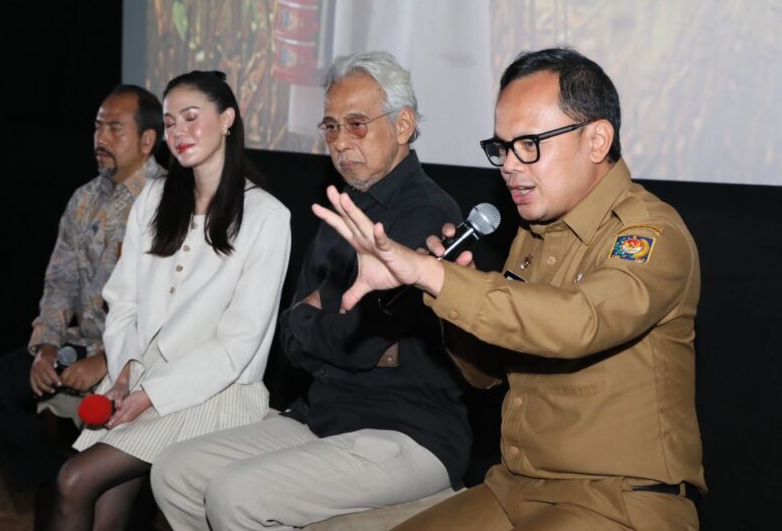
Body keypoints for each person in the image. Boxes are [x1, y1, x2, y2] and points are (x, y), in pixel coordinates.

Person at [314, 47, 705, 530]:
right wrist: (444, 295)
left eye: (529, 144)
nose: (509, 165)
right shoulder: (534, 236)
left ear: (597, 140)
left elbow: (579, 322)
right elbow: (488, 374)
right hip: (516, 487)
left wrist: (433, 275)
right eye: (502, 147)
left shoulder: (650, 234)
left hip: (617, 500)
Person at [150, 51, 472, 530]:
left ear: (403, 125)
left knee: (236, 494)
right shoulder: (343, 207)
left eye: (356, 125)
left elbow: (357, 342)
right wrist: (322, 321)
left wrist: (319, 319)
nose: (340, 142)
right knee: (175, 471)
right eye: (331, 127)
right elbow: (295, 338)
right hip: (324, 415)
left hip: (407, 431)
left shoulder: (428, 213)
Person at [48, 70, 291, 530]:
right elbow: (123, 299)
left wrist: (151, 394)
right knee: (102, 509)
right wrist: (126, 369)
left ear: (227, 119)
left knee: (74, 480)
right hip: (142, 372)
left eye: (191, 117)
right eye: (170, 122)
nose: (179, 132)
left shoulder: (267, 216)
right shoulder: (155, 197)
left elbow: (238, 343)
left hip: (215, 391)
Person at [0, 85, 163, 492]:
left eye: (114, 129)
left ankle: (81, 490)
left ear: (147, 140)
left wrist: (106, 360)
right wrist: (48, 347)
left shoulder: (167, 204)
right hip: (79, 344)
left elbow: (164, 306)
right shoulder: (84, 198)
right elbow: (60, 281)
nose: (101, 138)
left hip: (136, 360)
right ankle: (62, 480)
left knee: (121, 453)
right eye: (97, 127)